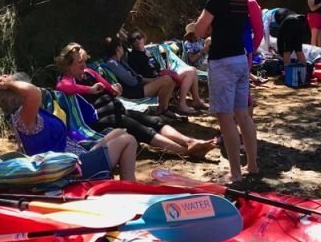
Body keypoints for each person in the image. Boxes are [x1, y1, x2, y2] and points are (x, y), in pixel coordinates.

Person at [55, 43, 216, 158]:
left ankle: (190, 141)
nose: (84, 65)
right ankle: (187, 151)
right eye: (79, 62)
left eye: (84, 60)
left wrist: (115, 90)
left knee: (154, 120)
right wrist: (89, 90)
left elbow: (109, 89)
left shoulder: (90, 73)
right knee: (141, 129)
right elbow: (64, 88)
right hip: (101, 119)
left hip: (117, 109)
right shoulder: (66, 81)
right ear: (68, 66)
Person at [0, 72, 138, 181]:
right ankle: (130, 189)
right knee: (128, 140)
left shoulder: (29, 116)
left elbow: (33, 92)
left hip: (75, 158)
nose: (35, 86)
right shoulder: (23, 118)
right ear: (20, 95)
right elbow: (34, 92)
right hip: (69, 170)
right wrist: (10, 83)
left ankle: (116, 177)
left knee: (120, 132)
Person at [195, 0, 258, 183]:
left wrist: (206, 28)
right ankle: (252, 165)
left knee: (226, 119)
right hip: (241, 60)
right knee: (243, 115)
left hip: (222, 62)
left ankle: (235, 173)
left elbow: (200, 30)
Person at [125, 30, 207, 114]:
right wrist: (154, 80)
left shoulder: (148, 52)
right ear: (131, 43)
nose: (137, 41)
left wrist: (166, 71)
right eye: (133, 40)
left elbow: (156, 68)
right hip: (151, 84)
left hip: (160, 78)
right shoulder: (133, 57)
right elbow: (138, 78)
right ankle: (181, 105)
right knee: (174, 77)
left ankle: (196, 100)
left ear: (143, 38)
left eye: (138, 37)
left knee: (192, 70)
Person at [102, 37, 176, 116]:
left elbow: (136, 76)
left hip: (137, 88)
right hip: (132, 92)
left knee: (170, 80)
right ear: (118, 48)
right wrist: (146, 80)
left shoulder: (120, 61)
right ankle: (161, 111)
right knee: (167, 80)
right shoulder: (113, 63)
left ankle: (163, 109)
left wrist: (153, 80)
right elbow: (132, 82)